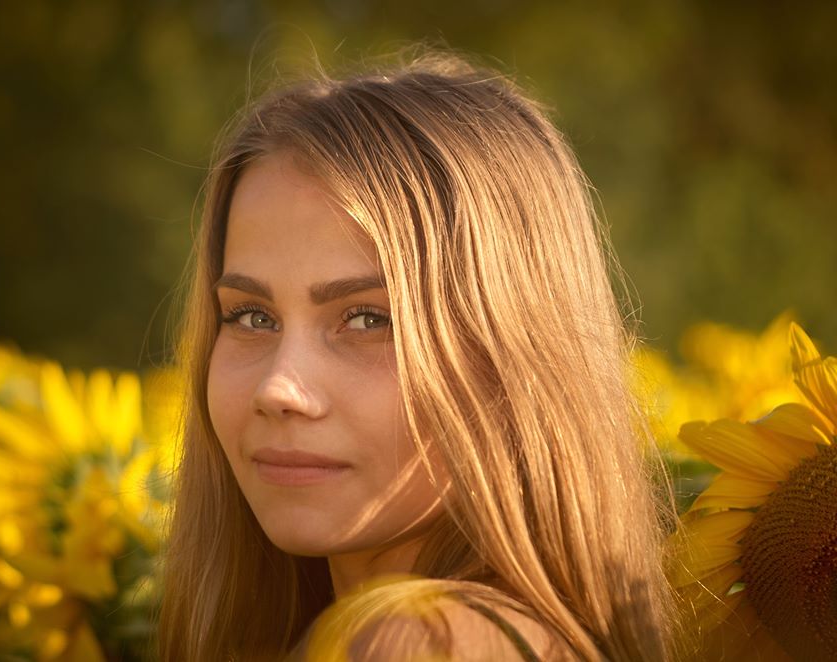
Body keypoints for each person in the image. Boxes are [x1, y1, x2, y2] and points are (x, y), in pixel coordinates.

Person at [159, 48, 677, 661]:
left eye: (368, 319)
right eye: (252, 317)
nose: (278, 387)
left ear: (513, 355)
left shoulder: (428, 643)